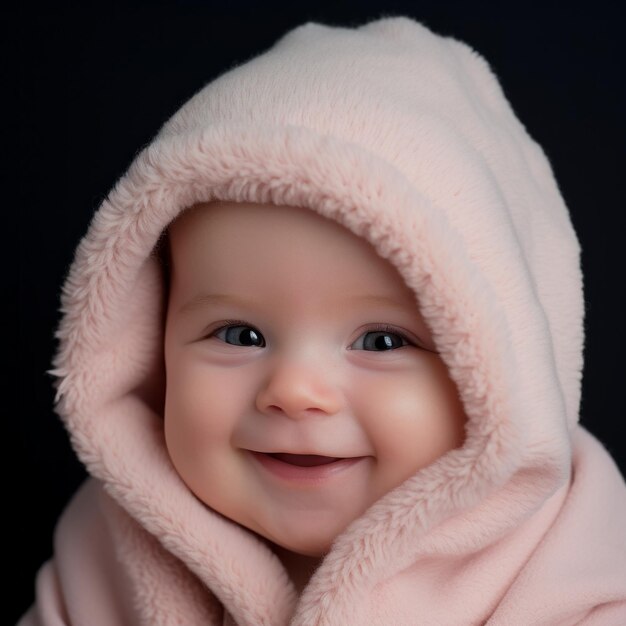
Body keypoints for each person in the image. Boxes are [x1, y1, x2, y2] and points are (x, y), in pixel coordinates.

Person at [18, 14, 626, 626]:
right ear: (151, 346)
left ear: (504, 368)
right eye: (239, 335)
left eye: (382, 340)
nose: (294, 391)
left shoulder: (578, 570)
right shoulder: (112, 550)